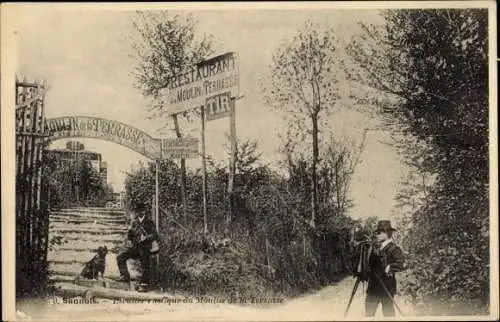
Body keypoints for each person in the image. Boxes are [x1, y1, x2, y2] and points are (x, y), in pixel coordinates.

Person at [365, 220, 406, 317]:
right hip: (373, 288)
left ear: (386, 233)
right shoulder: (375, 248)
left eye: (379, 233)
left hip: (387, 288)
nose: (377, 235)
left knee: (388, 315)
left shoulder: (394, 249)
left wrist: (389, 267)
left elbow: (402, 264)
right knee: (368, 314)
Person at [117, 201, 158, 291]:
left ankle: (144, 284)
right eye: (138, 210)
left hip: (145, 248)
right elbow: (130, 238)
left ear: (144, 211)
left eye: (142, 210)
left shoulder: (149, 222)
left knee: (145, 263)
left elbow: (155, 235)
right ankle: (125, 276)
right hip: (135, 248)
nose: (140, 212)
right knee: (120, 257)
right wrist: (129, 232)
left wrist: (146, 238)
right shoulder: (134, 222)